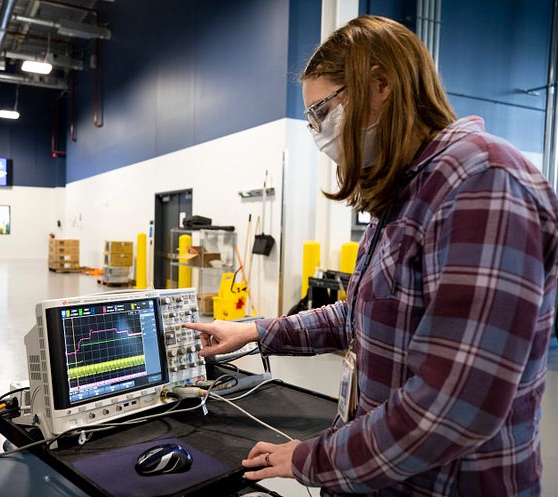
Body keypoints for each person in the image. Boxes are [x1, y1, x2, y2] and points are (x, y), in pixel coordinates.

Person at [184, 15, 558, 497]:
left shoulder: (482, 181)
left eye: (322, 111)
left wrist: (309, 458)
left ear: (379, 84)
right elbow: (360, 314)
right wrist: (253, 331)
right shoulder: (404, 191)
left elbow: (455, 407)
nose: (318, 131)